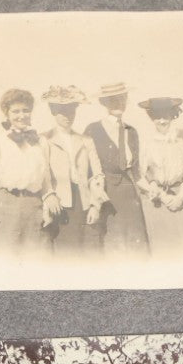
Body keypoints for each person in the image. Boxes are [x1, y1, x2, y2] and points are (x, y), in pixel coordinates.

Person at [0, 88, 51, 259]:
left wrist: (46, 209)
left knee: (35, 260)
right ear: (7, 114)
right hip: (5, 207)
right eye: (15, 111)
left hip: (34, 207)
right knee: (4, 260)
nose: (21, 115)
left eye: (26, 110)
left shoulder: (41, 142)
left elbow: (46, 179)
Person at [84, 82, 149, 260]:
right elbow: (88, 169)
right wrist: (95, 201)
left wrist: (154, 190)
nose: (118, 103)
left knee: (135, 248)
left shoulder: (132, 131)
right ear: (104, 103)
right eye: (112, 99)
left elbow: (137, 173)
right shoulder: (93, 130)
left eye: (122, 98)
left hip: (129, 195)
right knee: (110, 246)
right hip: (105, 195)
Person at [39, 86, 106, 257]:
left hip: (82, 201)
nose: (68, 116)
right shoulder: (44, 139)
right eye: (62, 111)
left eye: (72, 110)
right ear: (53, 112)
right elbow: (43, 171)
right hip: (58, 203)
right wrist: (50, 195)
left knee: (87, 250)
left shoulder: (86, 140)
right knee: (63, 252)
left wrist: (95, 205)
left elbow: (97, 174)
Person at [136, 97, 183, 260]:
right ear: (152, 118)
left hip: (181, 201)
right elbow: (140, 176)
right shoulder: (146, 145)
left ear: (172, 116)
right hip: (156, 203)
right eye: (157, 116)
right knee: (161, 250)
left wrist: (180, 197)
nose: (162, 120)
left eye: (166, 115)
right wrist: (163, 197)